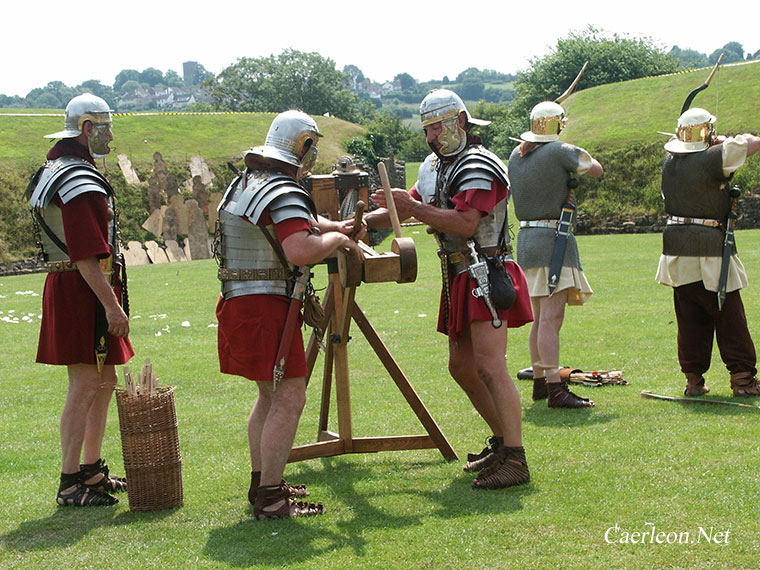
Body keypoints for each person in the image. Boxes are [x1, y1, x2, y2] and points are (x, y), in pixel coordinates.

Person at [364, 89, 533, 490]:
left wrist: (411, 208)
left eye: (437, 126)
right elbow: (409, 206)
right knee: (462, 368)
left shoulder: (479, 164)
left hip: (485, 270)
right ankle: (502, 444)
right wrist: (358, 222)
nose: (431, 137)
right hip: (458, 273)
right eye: (426, 129)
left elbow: (464, 223)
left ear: (458, 121)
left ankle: (517, 458)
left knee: (490, 366)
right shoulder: (436, 167)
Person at [215, 110, 364, 519]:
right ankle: (271, 498)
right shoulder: (283, 188)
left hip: (243, 300)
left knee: (270, 396)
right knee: (289, 397)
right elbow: (299, 248)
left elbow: (298, 223)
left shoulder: (247, 182)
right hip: (265, 306)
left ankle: (265, 483)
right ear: (304, 147)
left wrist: (337, 226)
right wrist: (338, 240)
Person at [29, 93, 133, 506]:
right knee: (86, 382)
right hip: (83, 289)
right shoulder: (76, 178)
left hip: (79, 286)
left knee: (103, 380)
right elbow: (85, 254)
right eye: (106, 125)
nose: (112, 133)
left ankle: (90, 469)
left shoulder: (57, 168)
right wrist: (111, 305)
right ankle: (70, 481)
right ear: (88, 129)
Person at [656, 107, 760, 397]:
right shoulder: (713, 156)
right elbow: (753, 142)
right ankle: (742, 379)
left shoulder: (670, 160)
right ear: (708, 132)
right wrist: (724, 141)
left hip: (676, 247)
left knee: (689, 316)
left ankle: (693, 380)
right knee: (728, 315)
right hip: (709, 247)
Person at [508, 101, 604, 408]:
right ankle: (554, 387)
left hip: (527, 239)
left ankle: (540, 380)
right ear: (556, 125)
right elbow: (597, 169)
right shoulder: (560, 150)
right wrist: (566, 145)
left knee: (540, 318)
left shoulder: (517, 152)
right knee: (551, 318)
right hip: (553, 239)